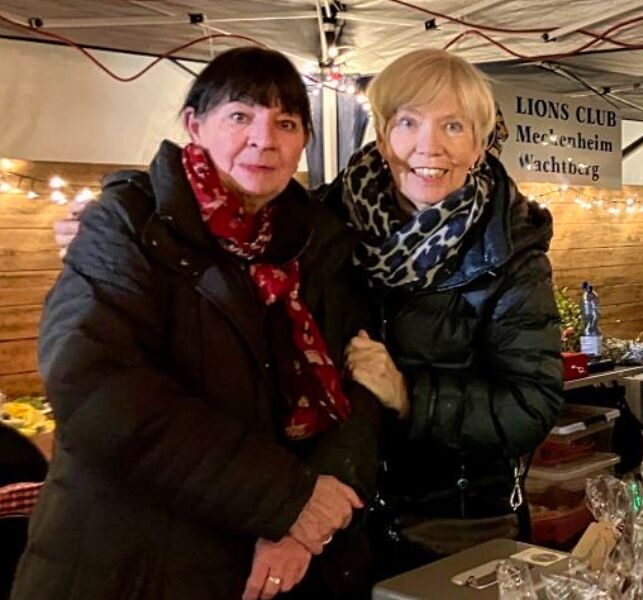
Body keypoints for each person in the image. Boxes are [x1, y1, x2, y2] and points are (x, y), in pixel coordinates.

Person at [12, 47, 382, 600]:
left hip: (277, 566)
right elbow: (98, 391)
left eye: (285, 123)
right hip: (131, 562)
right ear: (194, 124)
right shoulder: (128, 225)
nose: (264, 138)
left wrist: (308, 519)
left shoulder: (318, 244)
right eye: (240, 116)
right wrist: (288, 500)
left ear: (304, 140)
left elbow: (360, 384)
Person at [334, 49, 564, 572]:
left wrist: (409, 395)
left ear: (480, 145)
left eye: (453, 126)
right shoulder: (327, 225)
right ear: (382, 131)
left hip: (456, 527)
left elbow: (532, 403)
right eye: (408, 122)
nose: (428, 146)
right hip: (335, 523)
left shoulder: (510, 250)